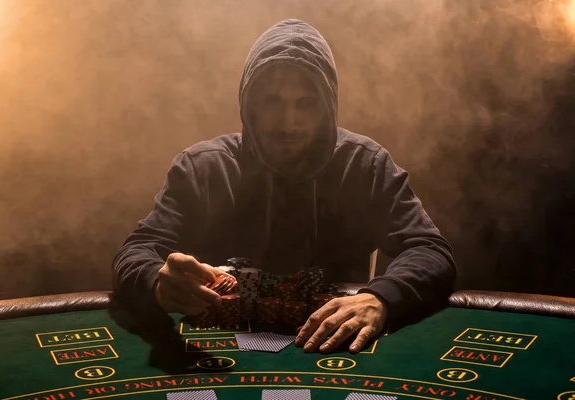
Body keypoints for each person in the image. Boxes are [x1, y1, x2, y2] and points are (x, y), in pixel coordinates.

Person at [112, 19, 456, 354]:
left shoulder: (364, 164)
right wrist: (156, 279)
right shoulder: (202, 167)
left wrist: (381, 297)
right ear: (249, 104)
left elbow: (430, 250)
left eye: (305, 103)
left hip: (334, 355)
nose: (288, 123)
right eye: (272, 101)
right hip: (220, 356)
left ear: (327, 107)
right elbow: (136, 250)